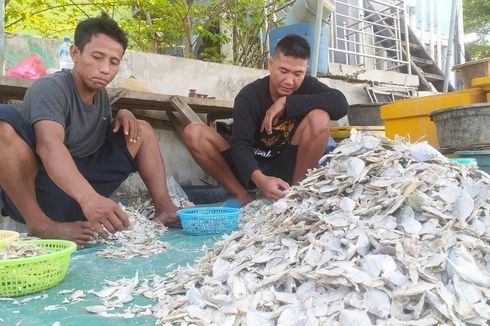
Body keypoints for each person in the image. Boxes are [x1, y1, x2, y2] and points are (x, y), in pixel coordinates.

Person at [0, 12, 179, 246]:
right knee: (4, 119)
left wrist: (124, 114)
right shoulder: (51, 88)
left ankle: (165, 210)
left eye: (113, 62)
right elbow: (48, 145)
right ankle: (41, 225)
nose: (105, 68)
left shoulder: (101, 97)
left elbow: (93, 134)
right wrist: (90, 199)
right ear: (75, 53)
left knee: (142, 129)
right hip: (42, 192)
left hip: (80, 190)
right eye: (97, 57)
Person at [183, 34, 348, 206]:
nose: (289, 81)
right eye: (283, 71)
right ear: (270, 64)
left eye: (298, 73)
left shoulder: (308, 86)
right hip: (249, 166)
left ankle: (296, 194)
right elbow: (241, 145)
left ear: (305, 70)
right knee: (194, 131)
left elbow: (341, 104)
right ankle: (241, 196)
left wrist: (287, 102)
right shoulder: (249, 96)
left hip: (287, 163)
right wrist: (261, 180)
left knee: (320, 117)